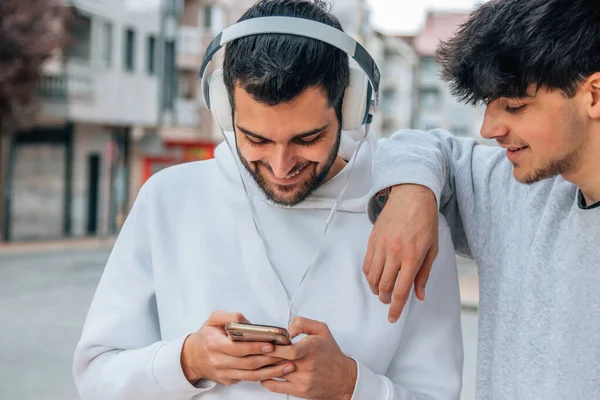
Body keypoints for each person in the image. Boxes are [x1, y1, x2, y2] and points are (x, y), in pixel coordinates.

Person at [72, 1, 463, 399]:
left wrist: (351, 386)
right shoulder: (168, 198)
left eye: (306, 139)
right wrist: (188, 361)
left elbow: (436, 393)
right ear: (225, 113)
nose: (280, 165)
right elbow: (96, 380)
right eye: (256, 139)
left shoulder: (408, 222)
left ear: (350, 107)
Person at [362, 0, 600, 399]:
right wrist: (411, 191)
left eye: (515, 107)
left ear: (593, 94)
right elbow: (428, 147)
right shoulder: (518, 191)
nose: (489, 128)